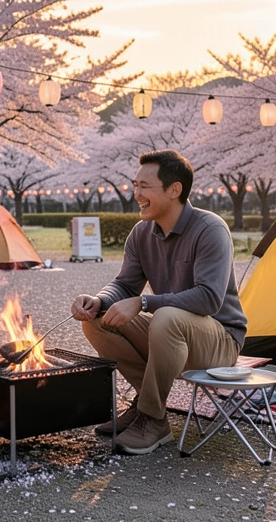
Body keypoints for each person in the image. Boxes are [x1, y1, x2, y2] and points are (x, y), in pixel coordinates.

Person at [71, 150, 248, 455]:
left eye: (144, 186)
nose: (136, 194)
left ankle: (153, 420)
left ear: (174, 190)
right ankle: (145, 405)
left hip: (219, 341)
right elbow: (125, 284)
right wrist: (98, 301)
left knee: (165, 316)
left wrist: (143, 303)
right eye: (135, 185)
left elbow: (209, 298)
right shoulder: (141, 233)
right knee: (100, 321)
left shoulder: (210, 230)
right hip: (172, 333)